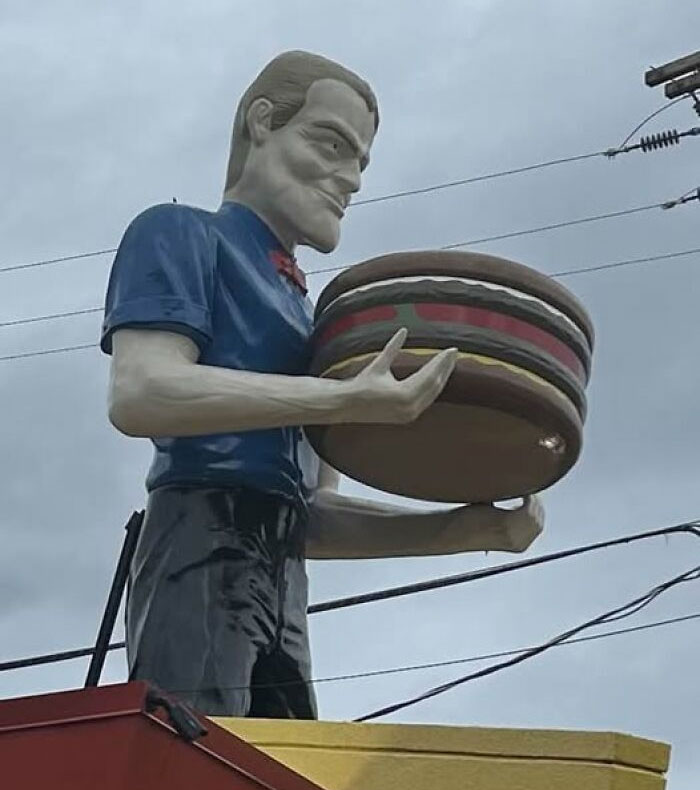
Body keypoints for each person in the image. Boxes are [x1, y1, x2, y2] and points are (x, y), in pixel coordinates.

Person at [101, 50, 544, 719]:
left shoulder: (318, 326)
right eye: (330, 145)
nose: (351, 179)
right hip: (197, 542)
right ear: (261, 123)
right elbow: (142, 392)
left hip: (284, 581)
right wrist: (341, 399)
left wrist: (468, 529)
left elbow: (307, 517)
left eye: (361, 162)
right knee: (195, 770)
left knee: (287, 783)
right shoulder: (179, 233)